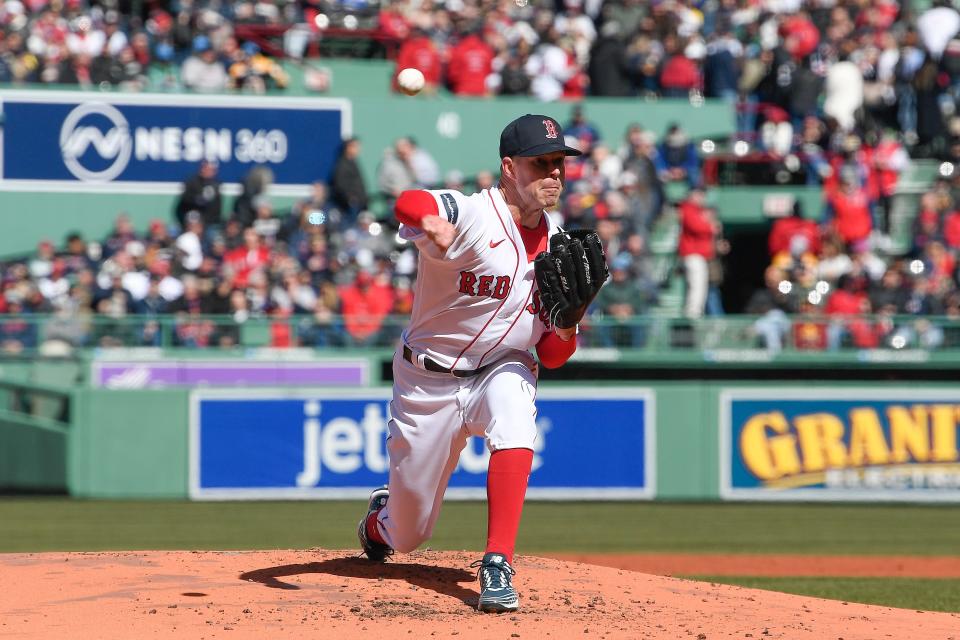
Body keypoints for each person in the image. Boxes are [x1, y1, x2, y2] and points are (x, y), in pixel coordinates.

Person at [357, 114, 604, 614]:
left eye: (559, 163)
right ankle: (379, 521)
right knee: (408, 535)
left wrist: (571, 320)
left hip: (500, 368)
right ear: (510, 168)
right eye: (541, 163)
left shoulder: (558, 246)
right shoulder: (470, 212)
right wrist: (428, 223)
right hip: (427, 380)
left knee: (515, 416)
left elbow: (552, 357)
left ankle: (497, 562)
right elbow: (413, 201)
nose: (553, 174)